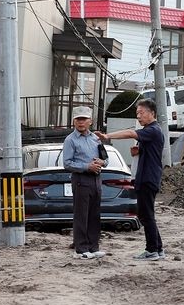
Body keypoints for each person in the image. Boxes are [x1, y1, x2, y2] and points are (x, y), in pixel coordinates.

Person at [96, 99, 165, 261]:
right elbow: (143, 150)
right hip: (146, 178)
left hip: (148, 179)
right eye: (137, 113)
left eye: (142, 113)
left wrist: (107, 136)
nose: (139, 116)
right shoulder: (150, 131)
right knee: (147, 215)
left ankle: (152, 250)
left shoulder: (153, 130)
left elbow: (130, 133)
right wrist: (137, 151)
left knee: (146, 215)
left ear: (152, 113)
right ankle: (158, 249)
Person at [63, 106, 107, 260]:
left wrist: (102, 162)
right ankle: (81, 248)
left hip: (96, 179)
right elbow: (67, 163)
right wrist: (86, 166)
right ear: (74, 121)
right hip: (81, 180)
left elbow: (105, 159)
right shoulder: (70, 140)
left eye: (84, 119)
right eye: (78, 119)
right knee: (81, 215)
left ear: (90, 121)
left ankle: (93, 247)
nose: (81, 122)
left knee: (95, 214)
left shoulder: (95, 138)